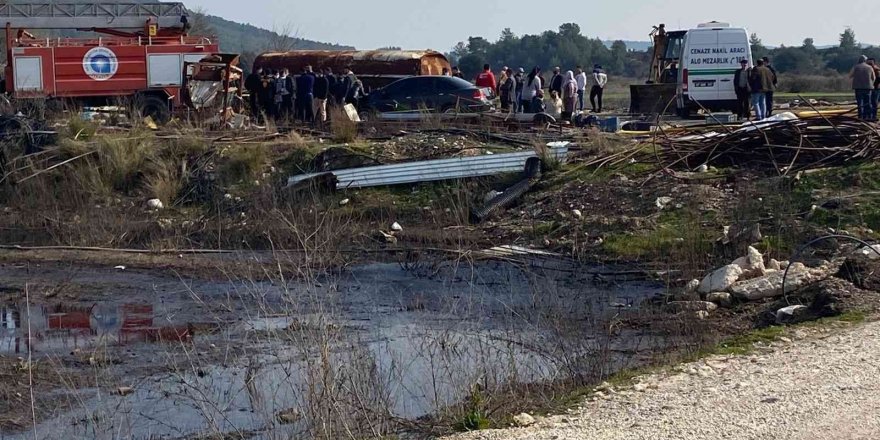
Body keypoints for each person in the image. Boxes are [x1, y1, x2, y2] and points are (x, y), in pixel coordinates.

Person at [851, 55, 876, 121]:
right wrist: (871, 84)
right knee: (868, 103)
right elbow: (874, 78)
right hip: (868, 88)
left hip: (858, 88)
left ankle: (860, 117)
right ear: (865, 60)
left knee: (860, 103)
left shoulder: (856, 67)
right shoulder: (870, 67)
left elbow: (850, 75)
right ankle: (869, 117)